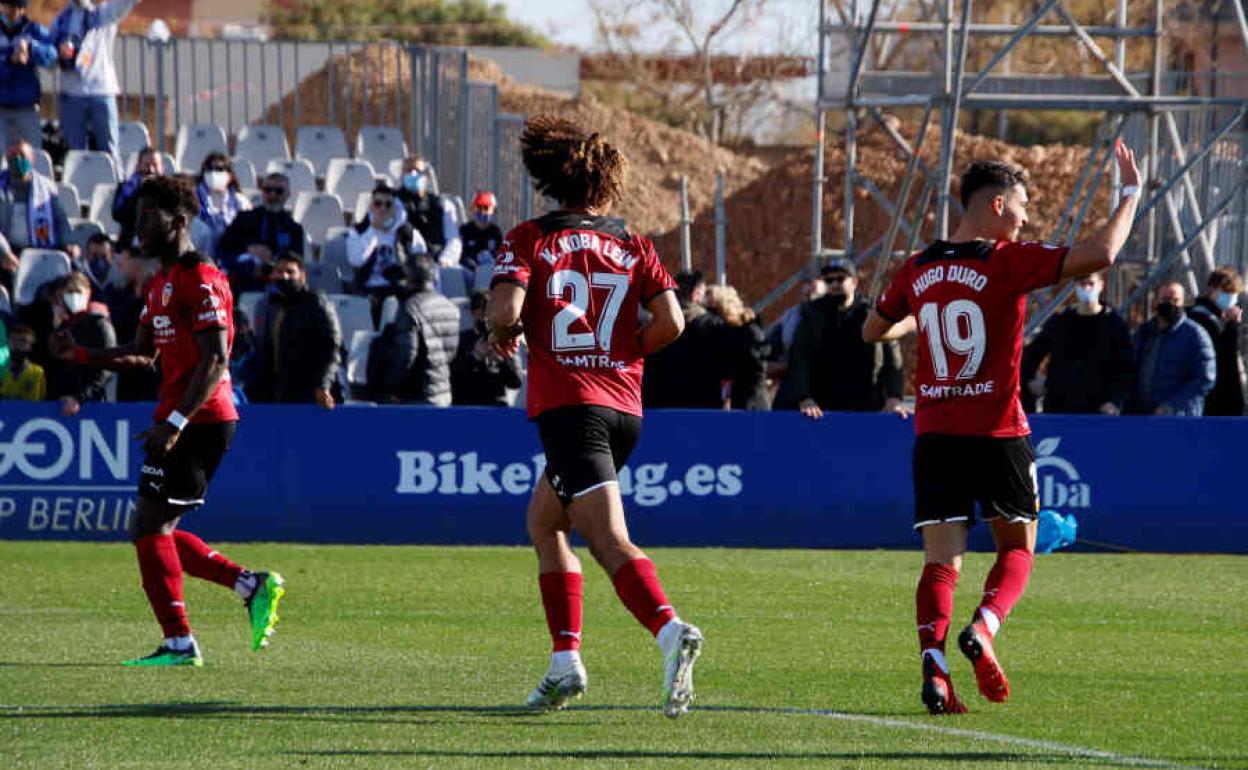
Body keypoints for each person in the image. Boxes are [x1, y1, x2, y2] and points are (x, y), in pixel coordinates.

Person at [863, 142, 1142, 714]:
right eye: (1021, 203)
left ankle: (934, 663)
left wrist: (924, 311)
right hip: (996, 430)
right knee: (1019, 546)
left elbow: (873, 329)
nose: (1025, 216)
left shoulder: (918, 267)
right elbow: (1103, 252)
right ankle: (985, 627)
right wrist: (1132, 192)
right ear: (993, 205)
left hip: (935, 432)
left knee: (941, 560)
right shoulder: (1004, 259)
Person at [489, 115, 703, 718]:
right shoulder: (633, 242)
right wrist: (619, 352)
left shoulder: (529, 237)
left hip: (570, 406)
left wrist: (499, 330)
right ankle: (565, 662)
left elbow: (506, 310)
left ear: (551, 178)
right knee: (543, 522)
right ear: (605, 183)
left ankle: (670, 630)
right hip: (624, 408)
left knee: (608, 538)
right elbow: (672, 323)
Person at [50, 175, 284, 666]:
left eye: (148, 219)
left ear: (178, 222)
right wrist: (83, 355)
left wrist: (176, 421)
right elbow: (142, 355)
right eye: (137, 220)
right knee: (154, 525)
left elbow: (216, 359)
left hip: (202, 418)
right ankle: (248, 586)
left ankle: (181, 640)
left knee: (148, 525)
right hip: (179, 417)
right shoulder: (158, 285)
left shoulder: (201, 276)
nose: (139, 229)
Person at [787, 257, 906, 418]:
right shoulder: (812, 314)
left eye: (840, 278)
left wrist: (894, 398)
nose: (835, 284)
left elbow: (893, 359)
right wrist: (804, 398)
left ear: (854, 282)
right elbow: (799, 358)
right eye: (829, 280)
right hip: (823, 408)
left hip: (868, 405)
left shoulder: (871, 313)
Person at [1020, 270, 1133, 414]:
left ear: (1101, 285)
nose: (1086, 289)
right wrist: (1030, 379)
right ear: (1075, 287)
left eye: (1091, 283)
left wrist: (1114, 400)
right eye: (1082, 284)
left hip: (1098, 409)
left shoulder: (1114, 325)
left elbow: (1125, 367)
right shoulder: (1061, 322)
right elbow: (1032, 353)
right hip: (1058, 407)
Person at [49, 0, 140, 167]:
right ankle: (78, 188)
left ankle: (115, 187)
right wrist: (59, 54)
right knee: (74, 155)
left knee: (109, 150)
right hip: (71, 93)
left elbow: (126, 3)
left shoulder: (103, 13)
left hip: (102, 91)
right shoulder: (60, 20)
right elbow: (49, 56)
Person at [248, 252, 340, 407]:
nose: (284, 276)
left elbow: (331, 347)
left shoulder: (315, 302)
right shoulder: (269, 305)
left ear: (302, 276)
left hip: (309, 392)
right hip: (274, 391)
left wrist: (323, 384)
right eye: (279, 271)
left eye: (290, 272)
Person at [641, 269, 729, 409]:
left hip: (657, 407)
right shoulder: (713, 326)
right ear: (695, 294)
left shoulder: (651, 325)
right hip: (702, 408)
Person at [1126, 281, 1216, 416]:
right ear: (1157, 301)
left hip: (1179, 419)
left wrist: (1172, 406)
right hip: (1142, 415)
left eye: (1175, 300)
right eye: (1165, 299)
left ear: (1183, 302)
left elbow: (1205, 378)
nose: (1170, 304)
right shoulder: (1144, 332)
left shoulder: (1195, 335)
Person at [379, 254, 459, 405]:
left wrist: (390, 388)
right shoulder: (450, 307)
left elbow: (406, 355)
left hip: (417, 396)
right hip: (443, 393)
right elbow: (451, 352)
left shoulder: (411, 308)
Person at [0, 139, 75, 291]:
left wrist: (69, 242)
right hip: (7, 251)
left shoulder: (46, 187)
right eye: (13, 156)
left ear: (32, 159)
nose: (17, 160)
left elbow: (60, 219)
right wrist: (3, 252)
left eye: (22, 155)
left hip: (38, 247)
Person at [347, 182, 426, 324]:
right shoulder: (358, 231)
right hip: (369, 288)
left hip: (399, 288)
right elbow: (356, 259)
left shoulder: (408, 232)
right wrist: (373, 231)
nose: (383, 209)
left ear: (395, 207)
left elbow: (422, 263)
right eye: (378, 204)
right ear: (371, 206)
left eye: (388, 204)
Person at [218, 172, 305, 294]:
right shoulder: (244, 219)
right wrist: (248, 250)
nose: (272, 195)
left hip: (279, 285)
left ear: (287, 194)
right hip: (243, 282)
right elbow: (224, 249)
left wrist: (273, 261)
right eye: (268, 190)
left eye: (278, 191)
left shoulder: (294, 228)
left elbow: (296, 261)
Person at [44, 270, 114, 415]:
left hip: (93, 406)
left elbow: (106, 369)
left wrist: (79, 398)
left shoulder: (99, 325)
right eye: (69, 292)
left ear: (88, 293)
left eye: (78, 291)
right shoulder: (61, 330)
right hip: (60, 407)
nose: (74, 296)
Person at [1186, 267, 1245, 416]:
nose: (1231, 298)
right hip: (1211, 400)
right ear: (1212, 290)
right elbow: (1223, 357)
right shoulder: (1200, 318)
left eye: (1234, 294)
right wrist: (1232, 327)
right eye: (1227, 292)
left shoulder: (1217, 320)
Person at [0, 0, 56, 150]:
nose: (14, 12)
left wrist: (31, 48)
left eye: (19, 7)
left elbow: (51, 56)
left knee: (33, 156)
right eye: (10, 6)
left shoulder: (34, 30)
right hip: (1, 108)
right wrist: (10, 60)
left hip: (27, 108)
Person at [766, 270, 826, 410]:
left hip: (825, 391)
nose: (810, 298)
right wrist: (789, 366)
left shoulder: (833, 318)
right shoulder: (790, 318)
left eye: (815, 295)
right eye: (807, 294)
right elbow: (769, 358)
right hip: (791, 390)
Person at [703, 283, 768, 410]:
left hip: (751, 406)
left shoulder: (749, 332)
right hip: (734, 404)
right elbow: (726, 374)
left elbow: (757, 373)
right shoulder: (722, 334)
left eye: (712, 310)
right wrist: (725, 398)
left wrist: (730, 400)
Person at [451, 289, 521, 406]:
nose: (485, 317)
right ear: (473, 313)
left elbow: (516, 382)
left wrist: (501, 361)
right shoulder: (460, 340)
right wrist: (474, 357)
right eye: (481, 311)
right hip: (466, 403)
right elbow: (451, 376)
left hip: (495, 404)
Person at [396, 155, 461, 267]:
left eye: (417, 170)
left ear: (426, 176)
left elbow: (453, 239)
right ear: (401, 175)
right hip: (403, 263)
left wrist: (446, 259)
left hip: (436, 262)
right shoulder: (390, 203)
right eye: (409, 170)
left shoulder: (443, 205)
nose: (413, 174)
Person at [191, 152, 249, 261]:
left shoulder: (240, 201)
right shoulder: (193, 199)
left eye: (219, 169)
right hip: (201, 257)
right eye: (209, 169)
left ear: (230, 175)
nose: (214, 173)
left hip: (232, 256)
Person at [112, 146, 164, 257]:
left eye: (155, 165)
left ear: (162, 168)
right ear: (138, 166)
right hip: (129, 248)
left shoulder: (167, 192)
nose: (151, 170)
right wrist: (140, 191)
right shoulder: (125, 188)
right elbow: (118, 214)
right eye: (146, 165)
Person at [459, 190, 503, 275]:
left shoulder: (496, 232)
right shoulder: (465, 231)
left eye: (486, 208)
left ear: (493, 211)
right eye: (479, 207)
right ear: (473, 209)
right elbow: (460, 255)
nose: (482, 212)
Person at [0, 321, 44, 399]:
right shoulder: (2, 370)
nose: (17, 344)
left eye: (23, 341)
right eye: (13, 340)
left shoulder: (37, 372)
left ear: (31, 346)